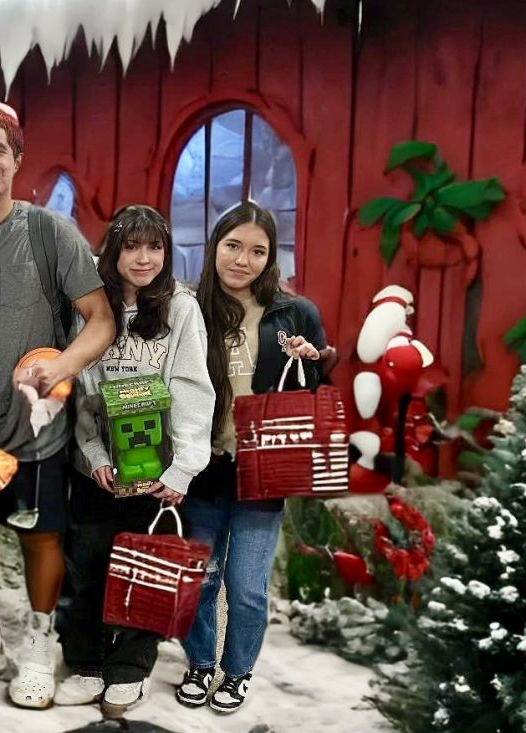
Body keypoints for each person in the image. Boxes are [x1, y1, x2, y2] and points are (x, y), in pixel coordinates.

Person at [0, 101, 115, 709]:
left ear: (17, 160)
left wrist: (63, 366)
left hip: (35, 433)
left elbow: (101, 320)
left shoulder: (47, 232)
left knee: (39, 536)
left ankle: (38, 645)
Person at [54, 205, 214, 715]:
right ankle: (85, 662)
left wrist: (183, 466)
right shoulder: (92, 307)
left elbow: (193, 387)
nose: (143, 258)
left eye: (155, 247)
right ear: (113, 250)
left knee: (146, 569)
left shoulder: (181, 308)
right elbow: (83, 387)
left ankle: (130, 668)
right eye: (131, 246)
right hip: (98, 468)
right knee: (90, 564)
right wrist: (95, 455)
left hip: (157, 467)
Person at [175, 201, 325, 715]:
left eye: (257, 250)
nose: (243, 259)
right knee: (199, 576)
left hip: (264, 469)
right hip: (202, 468)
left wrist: (310, 359)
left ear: (271, 257)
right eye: (233, 245)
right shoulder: (188, 307)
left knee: (247, 588)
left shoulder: (294, 313)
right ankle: (199, 663)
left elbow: (317, 387)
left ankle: (236, 672)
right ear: (216, 245)